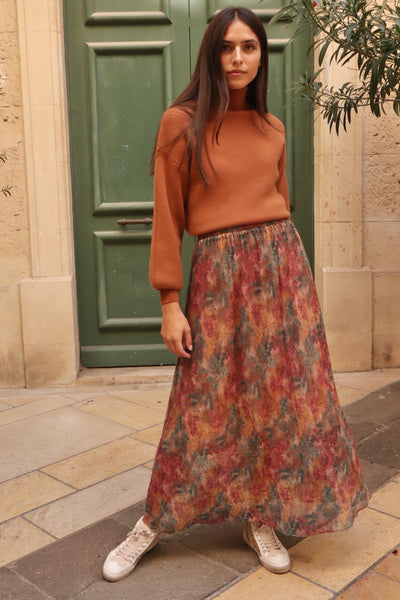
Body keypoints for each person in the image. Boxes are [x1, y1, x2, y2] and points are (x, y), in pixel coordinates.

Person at [103, 6, 369, 583]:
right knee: (201, 403)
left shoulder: (271, 127)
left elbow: (281, 203)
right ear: (211, 54)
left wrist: (286, 278)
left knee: (280, 401)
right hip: (218, 276)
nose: (238, 58)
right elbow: (168, 217)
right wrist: (169, 302)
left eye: (249, 47)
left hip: (282, 272)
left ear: (262, 55)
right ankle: (154, 520)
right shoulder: (181, 123)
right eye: (227, 47)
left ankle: (260, 515)